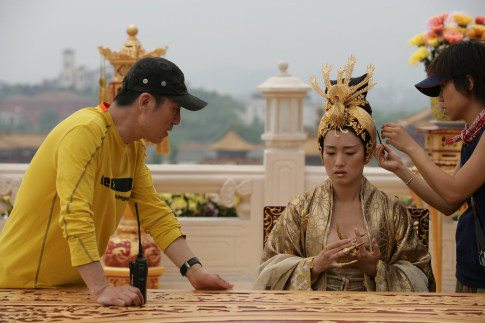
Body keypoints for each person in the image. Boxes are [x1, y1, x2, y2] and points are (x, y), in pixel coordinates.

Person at [0, 57, 233, 305]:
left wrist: (195, 272)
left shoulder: (133, 150)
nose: (176, 121)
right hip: (21, 288)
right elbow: (75, 213)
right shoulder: (85, 131)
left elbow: (154, 213)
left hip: (73, 289)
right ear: (145, 102)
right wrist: (101, 288)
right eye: (175, 109)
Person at [253, 56, 435, 292]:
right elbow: (266, 271)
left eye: (349, 152)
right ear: (321, 152)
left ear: (367, 152)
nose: (339, 162)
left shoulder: (391, 210)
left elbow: (421, 275)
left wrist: (376, 269)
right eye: (330, 152)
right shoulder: (301, 209)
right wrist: (314, 266)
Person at [376, 40, 485, 293]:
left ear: (468, 83)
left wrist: (413, 148)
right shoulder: (472, 135)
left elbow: (454, 191)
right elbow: (449, 204)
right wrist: (401, 169)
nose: (439, 98)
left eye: (443, 87)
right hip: (472, 266)